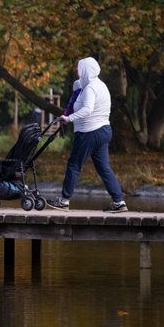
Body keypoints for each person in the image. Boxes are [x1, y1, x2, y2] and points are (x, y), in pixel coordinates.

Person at [47, 57, 129, 213]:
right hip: (104, 131)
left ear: (86, 70)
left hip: (89, 133)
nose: (77, 71)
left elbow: (87, 109)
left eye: (79, 68)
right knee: (104, 167)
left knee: (74, 165)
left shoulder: (90, 88)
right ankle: (119, 201)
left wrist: (68, 118)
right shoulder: (100, 85)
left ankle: (64, 201)